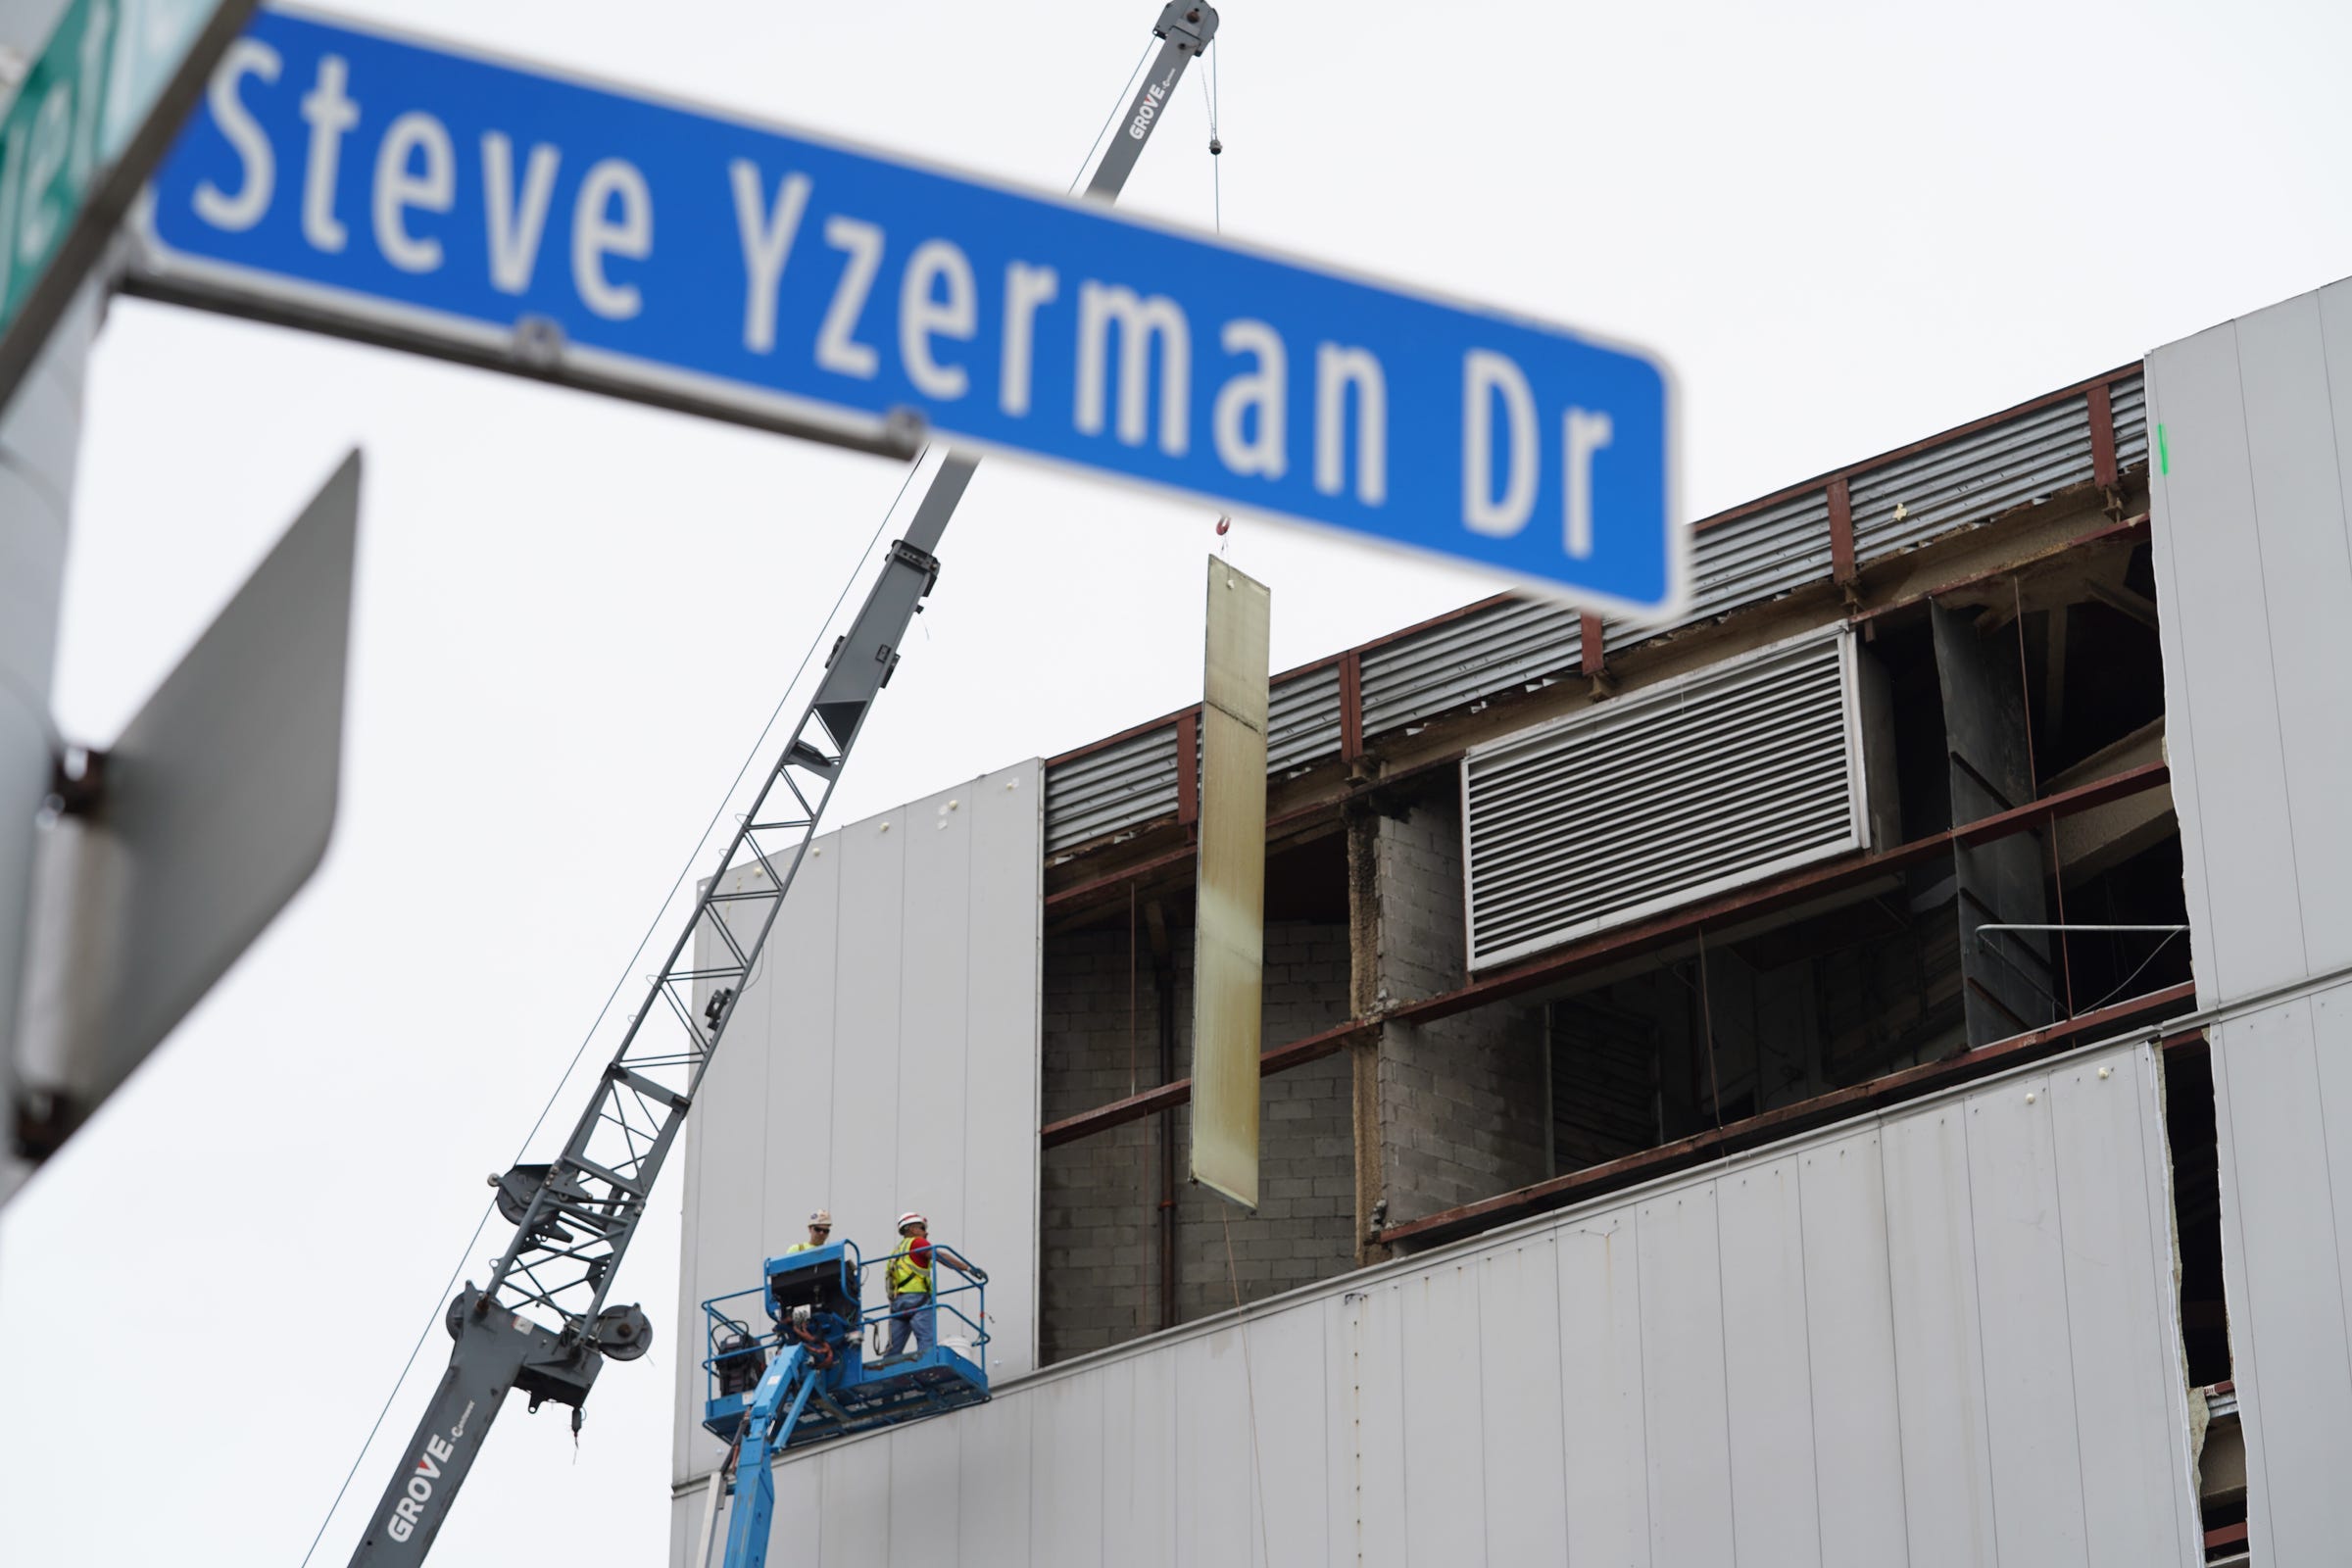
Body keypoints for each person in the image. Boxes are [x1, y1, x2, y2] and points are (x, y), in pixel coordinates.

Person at [883, 1211, 981, 1357]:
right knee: (926, 1340)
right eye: (922, 1228)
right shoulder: (917, 1242)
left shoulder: (896, 1251)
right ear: (912, 1229)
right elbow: (940, 1256)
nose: (926, 1233)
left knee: (893, 1347)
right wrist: (968, 1268)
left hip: (898, 1304)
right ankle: (926, 1363)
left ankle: (887, 1367)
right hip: (916, 1300)